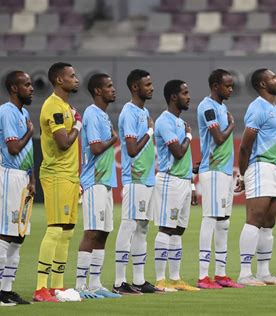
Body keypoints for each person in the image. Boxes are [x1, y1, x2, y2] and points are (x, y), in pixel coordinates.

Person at [235, 68, 276, 286]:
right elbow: (245, 145)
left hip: (272, 168)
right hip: (258, 166)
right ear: (262, 85)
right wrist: (243, 174)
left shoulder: (274, 107)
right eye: (273, 78)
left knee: (269, 222)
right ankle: (245, 273)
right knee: (255, 219)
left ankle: (264, 273)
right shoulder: (257, 108)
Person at [34, 62, 81, 302]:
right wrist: (78, 125)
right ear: (59, 80)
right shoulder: (53, 106)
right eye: (71, 76)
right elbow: (63, 142)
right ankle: (41, 288)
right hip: (56, 175)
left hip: (70, 176)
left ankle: (57, 286)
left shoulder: (65, 106)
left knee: (67, 232)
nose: (76, 79)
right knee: (55, 229)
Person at [113, 69, 161, 294]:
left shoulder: (144, 111)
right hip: (135, 178)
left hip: (148, 178)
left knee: (143, 228)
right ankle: (119, 281)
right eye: (147, 84)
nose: (151, 88)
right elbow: (132, 150)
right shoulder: (129, 112)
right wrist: (150, 132)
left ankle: (140, 280)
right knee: (129, 225)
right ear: (135, 87)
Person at [0, 71, 34, 307]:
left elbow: (29, 153)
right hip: (9, 177)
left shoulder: (23, 112)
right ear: (14, 88)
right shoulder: (6, 111)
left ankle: (7, 290)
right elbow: (15, 148)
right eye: (26, 84)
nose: (31, 88)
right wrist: (30, 133)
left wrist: (32, 180)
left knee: (19, 237)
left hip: (23, 180)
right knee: (6, 234)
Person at [74, 73, 121, 299]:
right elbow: (95, 148)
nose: (114, 90)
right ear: (98, 91)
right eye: (109, 86)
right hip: (93, 181)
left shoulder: (102, 115)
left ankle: (95, 284)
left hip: (106, 181)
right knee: (92, 232)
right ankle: (80, 286)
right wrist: (114, 139)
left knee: (103, 232)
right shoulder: (92, 114)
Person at [196, 69, 243, 289]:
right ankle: (203, 276)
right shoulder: (207, 107)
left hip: (224, 171)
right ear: (215, 86)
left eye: (232, 85)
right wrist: (232, 124)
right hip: (213, 170)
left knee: (224, 222)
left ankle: (222, 274)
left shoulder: (222, 107)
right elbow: (218, 137)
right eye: (227, 85)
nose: (231, 89)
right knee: (211, 219)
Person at [152, 80, 199, 292]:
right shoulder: (165, 121)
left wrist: (191, 187)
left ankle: (176, 278)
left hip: (182, 181)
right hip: (169, 181)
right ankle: (160, 280)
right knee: (166, 228)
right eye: (185, 93)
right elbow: (178, 153)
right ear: (173, 97)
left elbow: (185, 159)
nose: (188, 97)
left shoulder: (179, 122)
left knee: (178, 230)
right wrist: (189, 136)